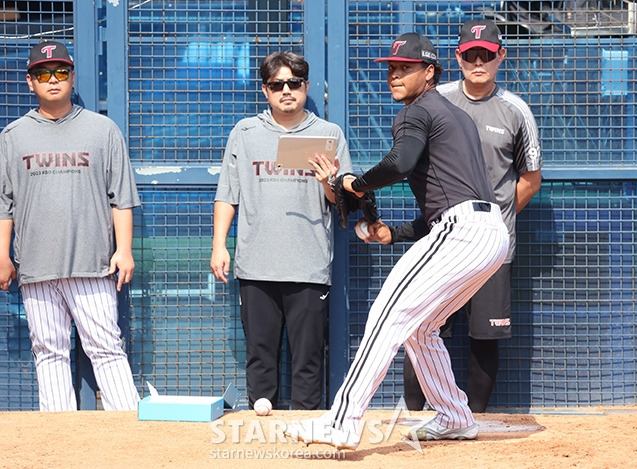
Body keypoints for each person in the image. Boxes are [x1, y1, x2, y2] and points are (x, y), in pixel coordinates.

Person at [284, 32, 509, 450]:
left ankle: (342, 422)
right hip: (487, 233)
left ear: (429, 72)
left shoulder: (416, 110)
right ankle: (456, 416)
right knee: (421, 329)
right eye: (391, 68)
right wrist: (394, 234)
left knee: (387, 314)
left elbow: (400, 164)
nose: (394, 74)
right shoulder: (455, 114)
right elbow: (445, 201)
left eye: (405, 67)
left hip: (463, 231)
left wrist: (353, 181)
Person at [399, 18, 542, 413]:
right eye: (469, 55)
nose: (478, 62)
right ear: (457, 58)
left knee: (484, 338)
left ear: (501, 57)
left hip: (492, 249)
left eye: (487, 55)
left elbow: (530, 179)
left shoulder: (516, 111)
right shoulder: (436, 100)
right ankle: (415, 416)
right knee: (424, 329)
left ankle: (473, 422)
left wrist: (492, 220)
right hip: (442, 243)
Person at [0, 41, 141, 411]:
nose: (52, 80)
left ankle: (129, 432)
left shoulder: (102, 129)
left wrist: (123, 250)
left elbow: (121, 197)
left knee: (106, 346)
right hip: (36, 264)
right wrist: (3, 256)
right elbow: (4, 206)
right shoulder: (12, 136)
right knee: (48, 353)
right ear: (30, 82)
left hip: (92, 262)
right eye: (42, 74)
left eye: (61, 72)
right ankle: (58, 439)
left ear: (72, 77)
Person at [210, 51, 352, 410]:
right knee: (260, 357)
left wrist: (327, 183)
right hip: (256, 266)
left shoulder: (327, 134)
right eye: (277, 85)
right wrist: (219, 246)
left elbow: (343, 203)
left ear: (305, 87)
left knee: (308, 360)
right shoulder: (245, 132)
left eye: (294, 83)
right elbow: (227, 194)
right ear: (265, 90)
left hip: (308, 267)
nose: (286, 91)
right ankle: (263, 434)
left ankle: (306, 436)